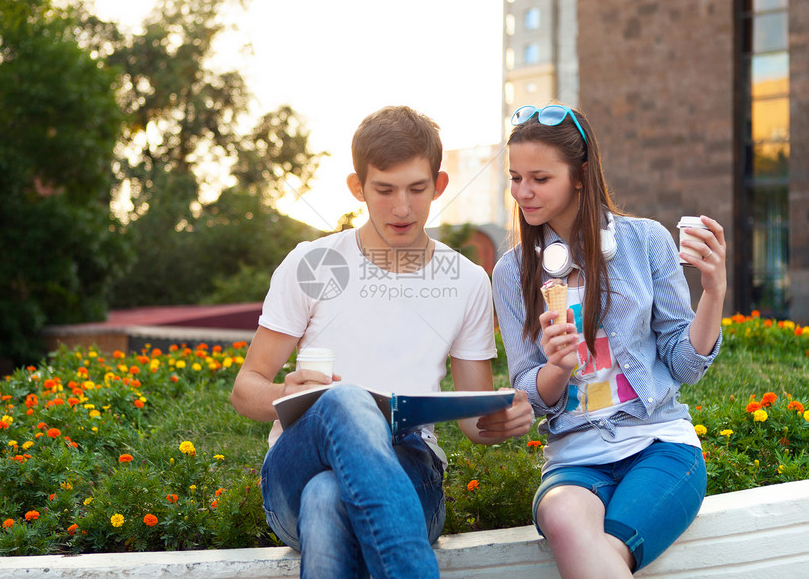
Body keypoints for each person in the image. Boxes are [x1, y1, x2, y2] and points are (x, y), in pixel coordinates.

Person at [230, 105, 533, 579]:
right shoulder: (314, 263)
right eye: (384, 190)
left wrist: (506, 416)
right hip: (295, 468)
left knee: (328, 497)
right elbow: (246, 388)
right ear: (358, 187)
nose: (402, 208)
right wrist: (289, 396)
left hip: (413, 470)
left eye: (417, 189)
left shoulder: (469, 281)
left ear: (439, 185)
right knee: (344, 401)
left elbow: (475, 423)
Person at [491, 104, 727, 578]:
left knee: (606, 552)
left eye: (539, 178)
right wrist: (557, 368)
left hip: (658, 443)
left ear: (579, 176)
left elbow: (683, 364)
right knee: (561, 516)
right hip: (573, 459)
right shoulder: (510, 271)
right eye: (516, 178)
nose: (523, 192)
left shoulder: (647, 242)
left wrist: (714, 292)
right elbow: (528, 390)